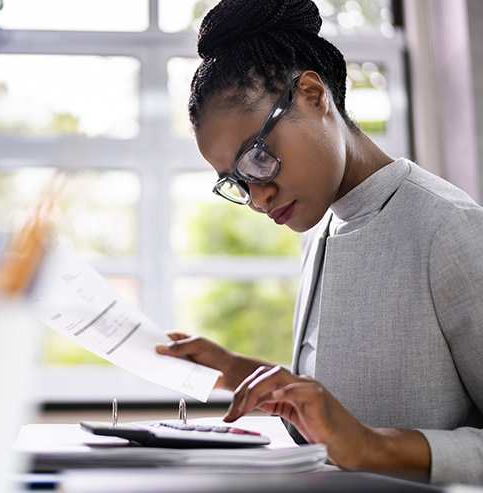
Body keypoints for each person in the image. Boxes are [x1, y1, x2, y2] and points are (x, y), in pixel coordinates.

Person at [155, 0, 483, 485]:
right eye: (237, 182)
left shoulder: (450, 229)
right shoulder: (322, 224)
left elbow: (356, 438)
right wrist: (234, 369)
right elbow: (338, 406)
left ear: (312, 94)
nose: (257, 198)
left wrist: (373, 446)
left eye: (257, 158)